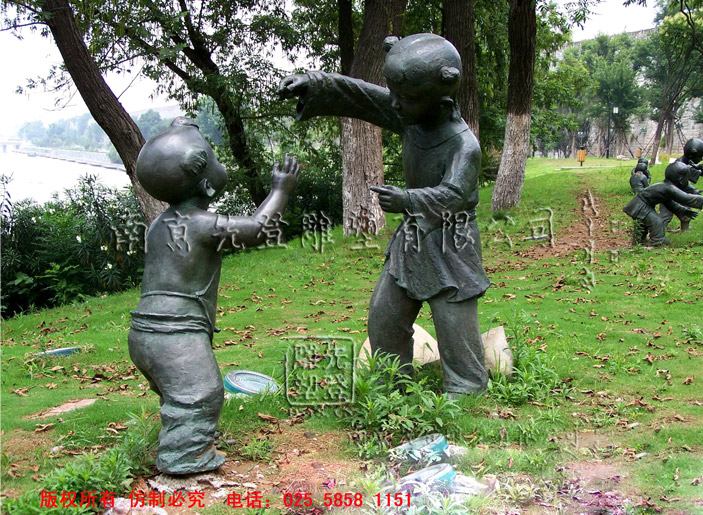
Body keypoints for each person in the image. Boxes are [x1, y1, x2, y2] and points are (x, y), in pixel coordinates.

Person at [278, 34, 490, 397]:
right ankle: (392, 384)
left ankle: (466, 386)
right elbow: (362, 96)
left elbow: (454, 195)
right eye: (393, 93)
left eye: (402, 98)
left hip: (452, 243)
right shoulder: (410, 113)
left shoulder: (463, 145)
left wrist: (407, 198)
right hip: (413, 240)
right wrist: (314, 83)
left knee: (454, 326)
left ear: (439, 101)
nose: (393, 103)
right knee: (385, 316)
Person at [129, 117, 300, 474]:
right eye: (216, 160)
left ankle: (184, 435)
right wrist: (281, 190)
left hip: (145, 333)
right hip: (174, 332)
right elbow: (258, 229)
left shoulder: (161, 224)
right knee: (201, 394)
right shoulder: (199, 224)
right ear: (207, 186)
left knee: (180, 392)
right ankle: (183, 457)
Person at [623, 161, 702, 247]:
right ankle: (658, 240)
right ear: (681, 180)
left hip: (639, 205)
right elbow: (687, 199)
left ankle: (639, 242)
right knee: (657, 222)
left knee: (643, 224)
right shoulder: (669, 188)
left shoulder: (665, 186)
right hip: (640, 205)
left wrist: (682, 210)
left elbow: (669, 203)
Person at [661, 138, 703, 231]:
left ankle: (685, 229)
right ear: (692, 154)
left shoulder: (686, 162)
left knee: (686, 213)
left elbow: (686, 182)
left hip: (678, 191)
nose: (701, 159)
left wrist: (693, 190)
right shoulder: (680, 165)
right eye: (700, 157)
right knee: (666, 216)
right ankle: (656, 233)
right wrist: (693, 190)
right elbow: (692, 177)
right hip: (669, 193)